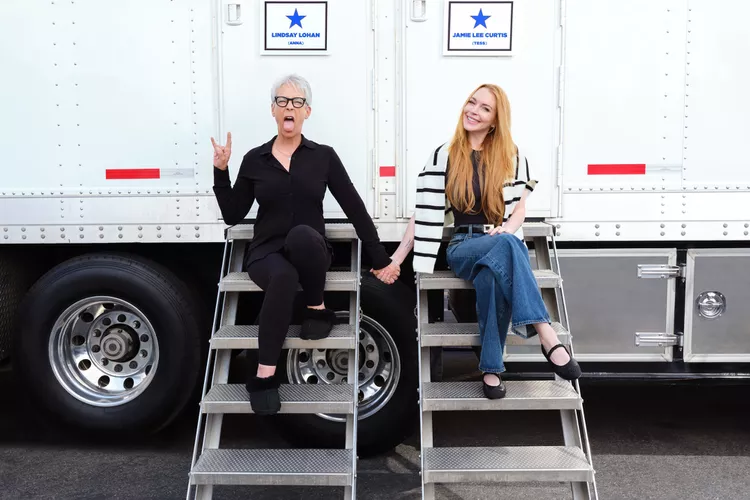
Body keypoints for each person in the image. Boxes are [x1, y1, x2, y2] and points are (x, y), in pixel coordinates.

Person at [211, 74, 400, 415]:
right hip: (266, 253)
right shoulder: (255, 159)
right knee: (282, 278)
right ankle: (265, 375)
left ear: (307, 112)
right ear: (273, 110)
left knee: (301, 235)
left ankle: (315, 305)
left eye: (297, 102)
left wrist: (379, 259)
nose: (289, 107)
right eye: (282, 101)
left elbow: (354, 207)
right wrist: (221, 172)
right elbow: (232, 214)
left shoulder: (323, 156)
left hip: (310, 249)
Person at [389, 83, 581, 400]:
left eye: (484, 108)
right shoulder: (445, 155)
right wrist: (397, 259)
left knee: (493, 275)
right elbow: (423, 212)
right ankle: (546, 334)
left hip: (499, 238)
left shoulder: (510, 157)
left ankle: (491, 370)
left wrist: (506, 228)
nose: (473, 111)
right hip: (464, 245)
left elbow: (520, 209)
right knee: (508, 246)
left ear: (495, 120)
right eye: (471, 102)